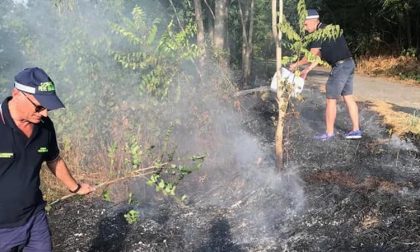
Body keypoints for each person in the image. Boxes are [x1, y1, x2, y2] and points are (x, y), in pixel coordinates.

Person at [0, 67, 95, 251]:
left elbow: (54, 159)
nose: (44, 113)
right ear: (17, 94)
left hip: (35, 219)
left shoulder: (44, 126)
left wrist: (75, 187)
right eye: (39, 106)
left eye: (48, 107)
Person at [289, 9, 362, 141]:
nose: (305, 28)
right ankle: (356, 130)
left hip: (340, 67)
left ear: (312, 21)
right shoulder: (330, 29)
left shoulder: (319, 34)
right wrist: (307, 70)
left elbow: (310, 55)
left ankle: (329, 133)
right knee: (348, 97)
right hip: (349, 63)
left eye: (305, 25)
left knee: (330, 99)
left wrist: (296, 65)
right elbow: (319, 55)